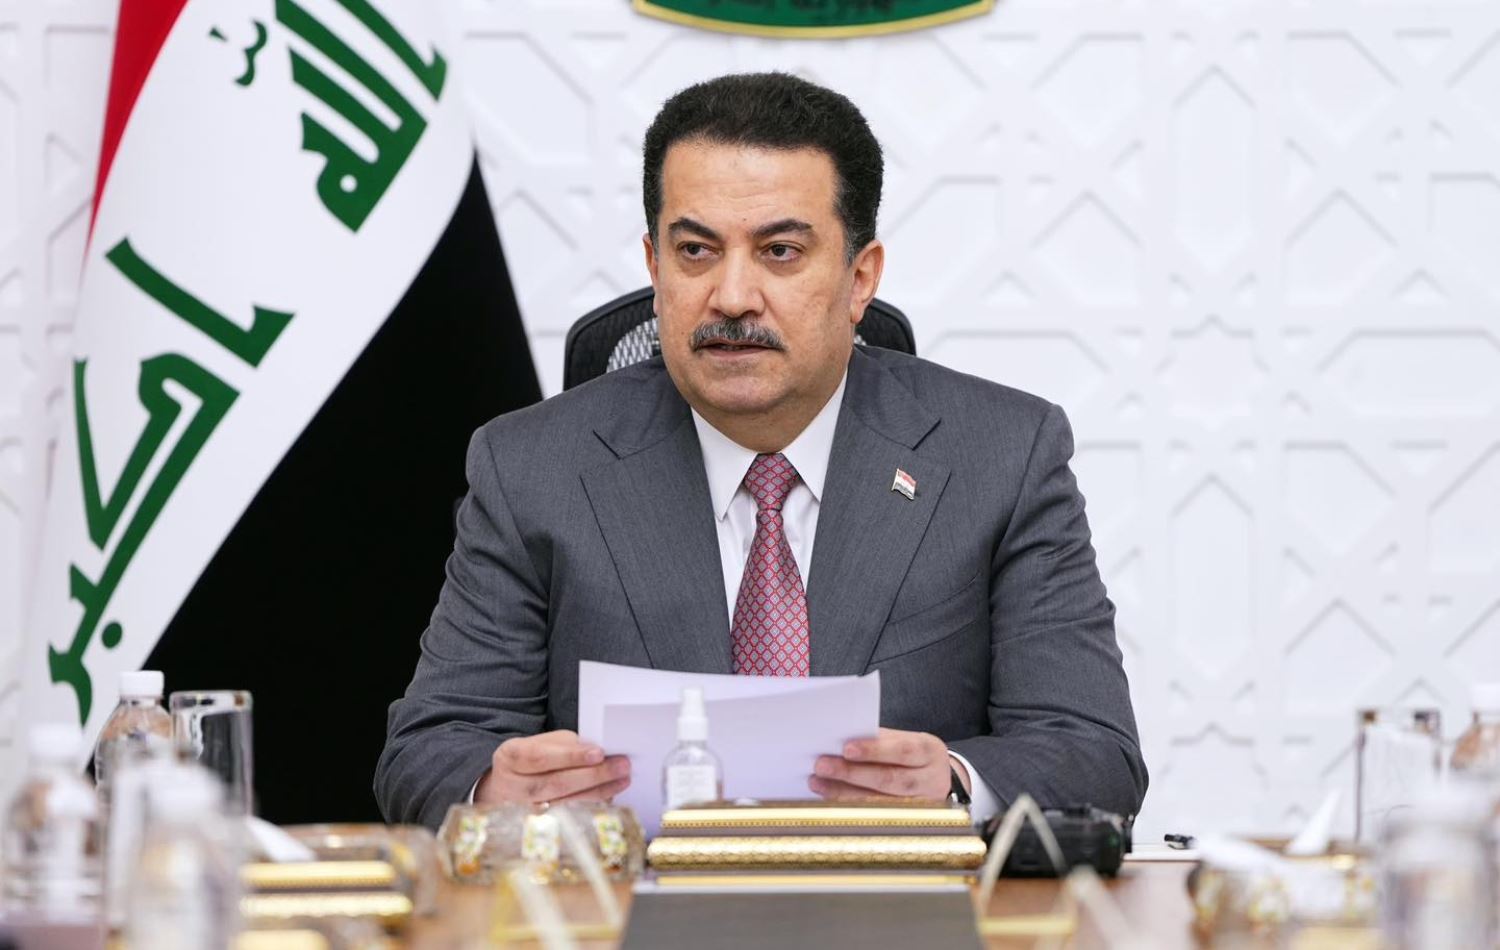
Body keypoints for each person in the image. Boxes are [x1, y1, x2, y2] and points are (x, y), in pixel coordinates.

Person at [376, 73, 1147, 830]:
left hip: (895, 899)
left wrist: (950, 784)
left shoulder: (1002, 458)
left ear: (860, 278)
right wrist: (493, 788)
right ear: (655, 268)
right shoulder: (531, 470)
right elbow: (427, 750)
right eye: (696, 251)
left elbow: (1094, 753)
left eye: (779, 251)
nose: (733, 296)